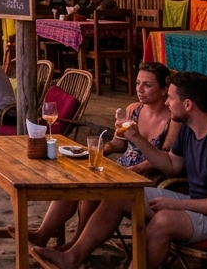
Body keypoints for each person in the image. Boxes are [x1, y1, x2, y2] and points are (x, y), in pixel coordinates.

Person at [34, 71, 207, 269]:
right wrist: (136, 138)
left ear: (188, 104)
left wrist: (177, 206)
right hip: (197, 204)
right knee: (123, 194)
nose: (166, 102)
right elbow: (172, 166)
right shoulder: (190, 130)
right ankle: (72, 258)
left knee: (165, 219)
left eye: (171, 98)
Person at [26, 62, 178, 249]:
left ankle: (76, 243)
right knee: (75, 180)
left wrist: (136, 168)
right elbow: (119, 144)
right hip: (123, 168)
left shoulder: (172, 118)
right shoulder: (134, 109)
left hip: (150, 176)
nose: (140, 89)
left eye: (147, 85)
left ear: (164, 90)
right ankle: (43, 233)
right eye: (138, 83)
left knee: (91, 189)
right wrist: (101, 149)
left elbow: (166, 156)